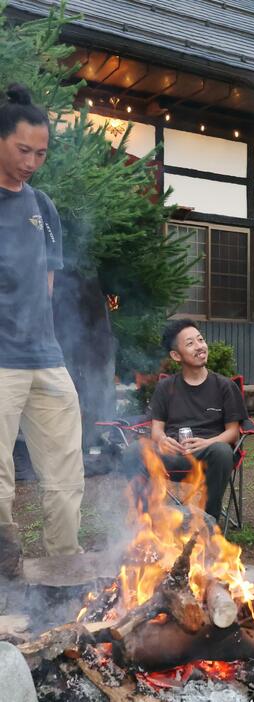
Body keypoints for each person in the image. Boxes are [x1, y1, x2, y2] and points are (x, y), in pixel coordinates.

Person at [0, 84, 84, 577]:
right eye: (23, 150)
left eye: (41, 153)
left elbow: (48, 283)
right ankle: (5, 574)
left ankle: (64, 572)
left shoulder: (42, 206)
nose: (33, 161)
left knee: (65, 474)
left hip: (46, 358)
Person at [123, 319, 247, 521]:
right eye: (190, 343)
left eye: (200, 340)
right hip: (171, 455)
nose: (200, 346)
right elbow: (157, 429)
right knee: (133, 451)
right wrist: (162, 440)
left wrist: (208, 442)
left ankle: (208, 524)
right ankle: (146, 521)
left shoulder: (224, 386)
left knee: (223, 451)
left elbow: (233, 431)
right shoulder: (166, 387)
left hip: (208, 454)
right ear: (176, 355)